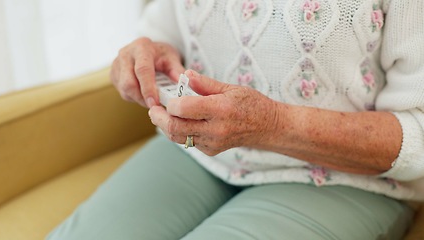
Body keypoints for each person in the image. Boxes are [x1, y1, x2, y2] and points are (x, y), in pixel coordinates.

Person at [47, 0, 424, 239]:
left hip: (345, 180)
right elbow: (162, 28)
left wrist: (272, 124)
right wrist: (144, 54)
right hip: (193, 153)